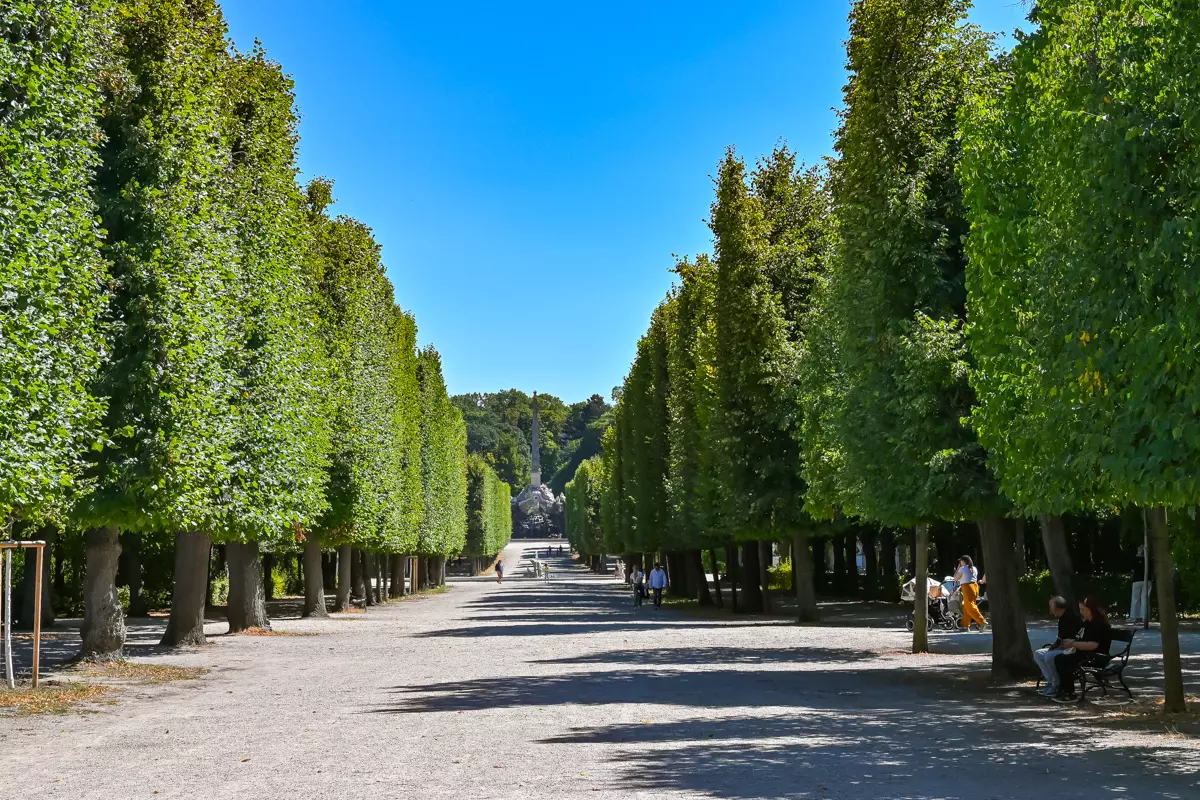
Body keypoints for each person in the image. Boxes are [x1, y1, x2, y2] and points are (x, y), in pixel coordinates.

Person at [1052, 597, 1113, 702]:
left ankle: (1069, 693)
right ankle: (1064, 689)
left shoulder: (1098, 624)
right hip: (1087, 655)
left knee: (1064, 660)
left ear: (1092, 609)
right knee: (1060, 658)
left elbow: (1093, 645)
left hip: (1096, 657)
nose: (1081, 612)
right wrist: (1072, 642)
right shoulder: (1088, 622)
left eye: (1083, 610)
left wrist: (1073, 644)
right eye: (1080, 609)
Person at [1033, 596, 1082, 696]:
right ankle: (1050, 681)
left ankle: (1056, 685)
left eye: (1051, 606)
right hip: (1064, 648)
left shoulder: (1071, 618)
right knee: (1039, 653)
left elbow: (1070, 640)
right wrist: (1052, 648)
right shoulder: (1063, 619)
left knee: (1049, 656)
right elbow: (1060, 638)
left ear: (1057, 608)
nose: (1050, 609)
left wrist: (1054, 649)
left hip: (1072, 650)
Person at [954, 555, 986, 631]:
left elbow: (955, 578)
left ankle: (982, 622)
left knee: (970, 606)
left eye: (960, 561)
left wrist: (958, 569)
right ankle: (965, 625)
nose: (960, 562)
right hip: (975, 587)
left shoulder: (962, 568)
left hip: (967, 587)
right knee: (967, 606)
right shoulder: (974, 568)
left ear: (964, 561)